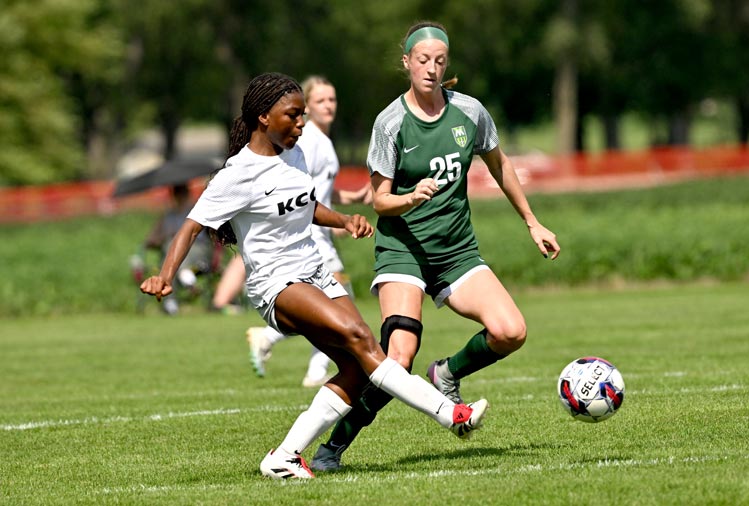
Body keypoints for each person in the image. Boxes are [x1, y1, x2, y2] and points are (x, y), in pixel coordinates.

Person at [139, 72, 489, 480]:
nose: (301, 123)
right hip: (276, 285)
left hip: (315, 270)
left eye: (303, 114)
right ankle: (452, 415)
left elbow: (305, 206)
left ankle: (284, 456)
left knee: (357, 368)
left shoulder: (295, 153)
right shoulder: (238, 173)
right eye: (293, 115)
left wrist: (344, 220)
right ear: (263, 117)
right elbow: (191, 226)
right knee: (361, 339)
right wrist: (165, 275)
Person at [309, 22, 560, 471]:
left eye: (439, 61)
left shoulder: (469, 112)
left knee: (511, 331)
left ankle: (447, 373)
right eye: (423, 60)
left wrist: (532, 221)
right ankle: (333, 446)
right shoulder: (390, 123)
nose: (431, 68)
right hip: (403, 251)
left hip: (457, 251)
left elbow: (500, 165)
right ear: (406, 62)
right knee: (397, 358)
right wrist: (411, 197)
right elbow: (380, 200)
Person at [243, 75, 372, 386]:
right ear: (307, 107)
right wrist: (330, 221)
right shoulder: (309, 141)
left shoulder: (322, 141)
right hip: (310, 237)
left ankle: (312, 366)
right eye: (320, 100)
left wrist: (348, 201)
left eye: (332, 99)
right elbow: (298, 193)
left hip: (319, 233)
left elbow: (317, 190)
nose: (328, 106)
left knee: (333, 304)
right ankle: (279, 345)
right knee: (336, 303)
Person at [138, 183, 215, 315]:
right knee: (170, 245)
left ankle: (172, 296)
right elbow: (151, 240)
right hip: (171, 252)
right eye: (177, 192)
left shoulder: (196, 211)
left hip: (198, 250)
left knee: (175, 247)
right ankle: (185, 277)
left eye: (182, 192)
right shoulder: (168, 216)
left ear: (187, 193)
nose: (180, 196)